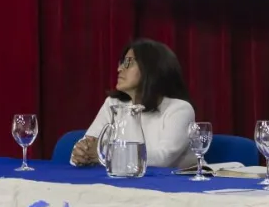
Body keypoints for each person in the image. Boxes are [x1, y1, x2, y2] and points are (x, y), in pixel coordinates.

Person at [71, 39, 196, 169]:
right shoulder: (113, 103)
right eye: (121, 63)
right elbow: (90, 143)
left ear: (151, 68)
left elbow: (163, 158)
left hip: (173, 185)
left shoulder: (179, 109)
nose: (119, 69)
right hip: (121, 180)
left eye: (128, 62)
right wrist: (81, 152)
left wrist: (105, 154)